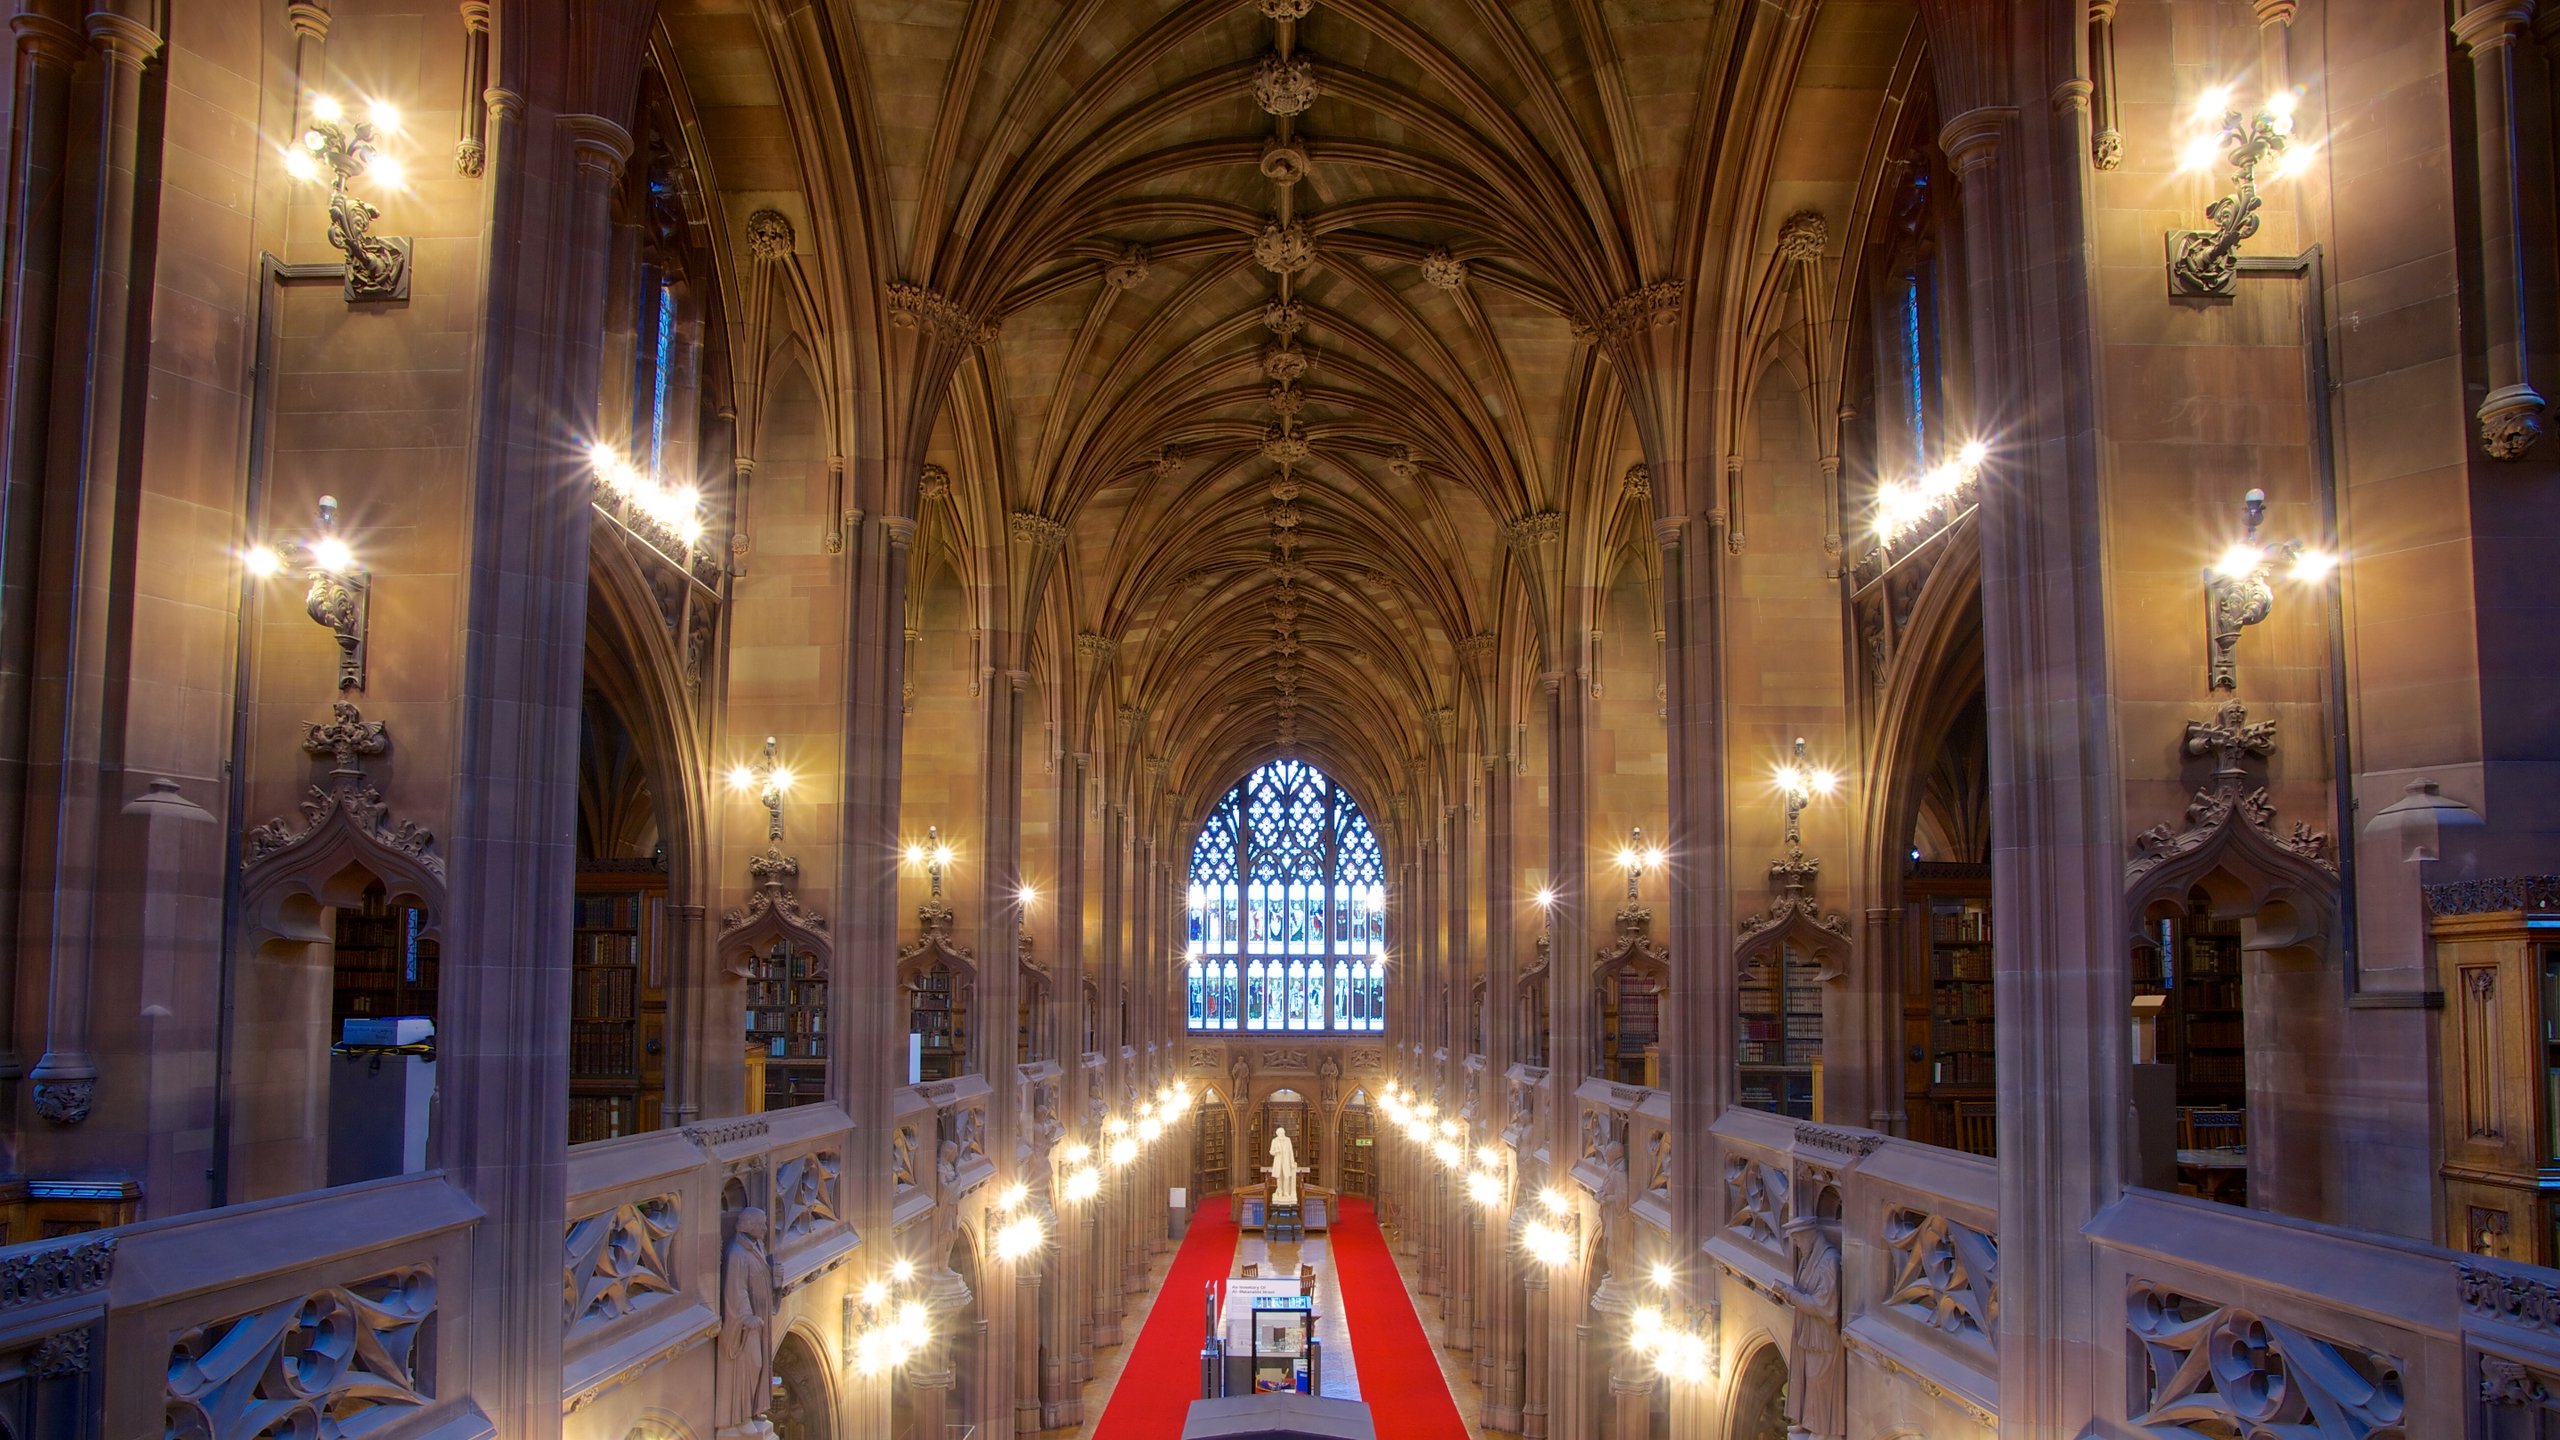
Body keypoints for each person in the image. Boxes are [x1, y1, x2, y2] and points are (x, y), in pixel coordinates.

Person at [1268, 1124, 1300, 1205]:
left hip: (1286, 1162)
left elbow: (1291, 1152)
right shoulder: (1274, 1141)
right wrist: (1276, 1152)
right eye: (1281, 1133)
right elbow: (1271, 1151)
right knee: (1279, 1177)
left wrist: (1292, 1162)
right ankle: (1280, 1191)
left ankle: (1286, 1192)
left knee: (1286, 1177)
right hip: (1278, 1162)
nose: (1282, 1135)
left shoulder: (1288, 1140)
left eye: (1283, 1133)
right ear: (1278, 1134)